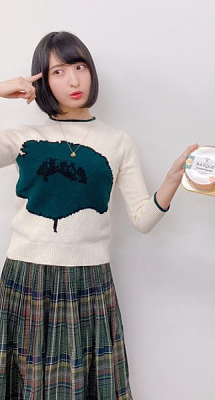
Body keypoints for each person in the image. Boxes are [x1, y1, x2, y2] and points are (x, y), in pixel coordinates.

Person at [0, 31, 197, 399]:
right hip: (27, 276)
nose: (73, 80)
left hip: (89, 280)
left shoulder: (117, 142)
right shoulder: (23, 137)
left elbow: (143, 219)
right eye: (58, 72)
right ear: (41, 81)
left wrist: (172, 180)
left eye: (79, 67)